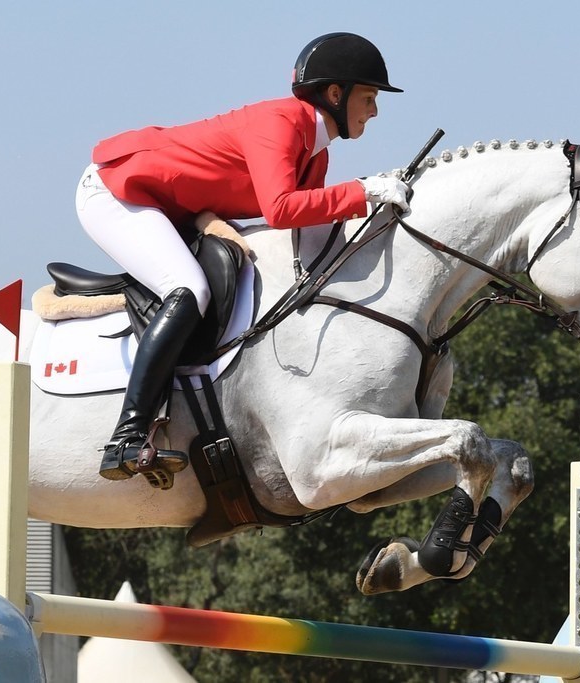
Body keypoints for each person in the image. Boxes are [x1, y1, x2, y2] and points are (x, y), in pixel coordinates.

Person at [75, 32, 408, 482]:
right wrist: (365, 190)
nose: (374, 111)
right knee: (188, 287)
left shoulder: (315, 153)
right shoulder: (281, 123)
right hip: (118, 190)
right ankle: (126, 437)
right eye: (368, 97)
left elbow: (304, 226)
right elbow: (281, 208)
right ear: (335, 94)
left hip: (170, 204)